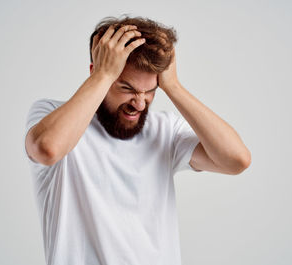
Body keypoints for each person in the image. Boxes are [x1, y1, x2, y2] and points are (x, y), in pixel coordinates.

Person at [23, 15, 251, 265]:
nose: (139, 103)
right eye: (127, 88)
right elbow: (47, 149)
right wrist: (102, 76)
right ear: (96, 72)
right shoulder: (50, 115)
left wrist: (173, 86)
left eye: (150, 91)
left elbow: (236, 160)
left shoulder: (165, 130)